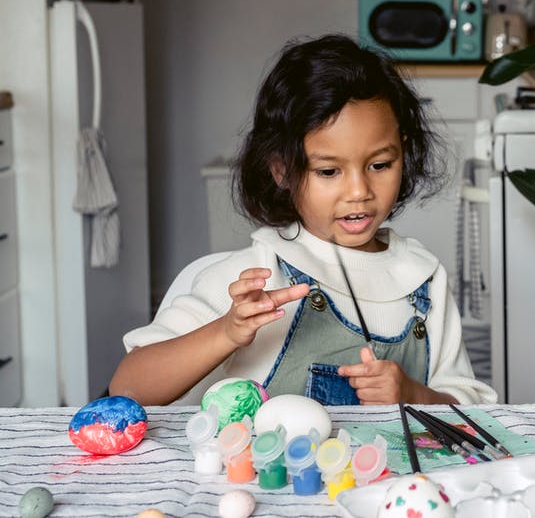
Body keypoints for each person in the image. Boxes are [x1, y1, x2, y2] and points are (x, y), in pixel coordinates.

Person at [110, 34, 496, 407]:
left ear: (404, 152)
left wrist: (415, 395)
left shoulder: (424, 278)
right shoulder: (256, 275)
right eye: (329, 171)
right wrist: (226, 331)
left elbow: (471, 411)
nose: (359, 190)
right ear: (281, 170)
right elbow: (128, 387)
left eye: (380, 164)